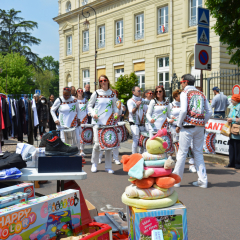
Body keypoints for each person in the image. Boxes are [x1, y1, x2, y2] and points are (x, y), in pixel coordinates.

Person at [173, 74, 212, 188]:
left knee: (182, 153)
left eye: (181, 82)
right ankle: (203, 181)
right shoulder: (201, 93)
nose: (181, 84)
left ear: (185, 82)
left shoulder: (185, 93)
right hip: (200, 126)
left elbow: (184, 110)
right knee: (198, 153)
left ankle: (176, 180)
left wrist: (179, 124)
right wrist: (201, 121)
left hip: (188, 126)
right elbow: (209, 112)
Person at [88, 75, 119, 173]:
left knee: (108, 145)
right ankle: (94, 164)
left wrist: (116, 112)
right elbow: (89, 105)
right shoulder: (96, 93)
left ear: (107, 81)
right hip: (97, 122)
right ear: (99, 82)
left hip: (109, 122)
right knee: (97, 144)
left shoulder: (112, 94)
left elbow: (114, 106)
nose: (103, 82)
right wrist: (93, 113)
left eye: (105, 80)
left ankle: (108, 167)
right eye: (101, 81)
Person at [127, 86, 145, 154]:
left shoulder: (142, 100)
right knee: (136, 140)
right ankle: (133, 155)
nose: (140, 92)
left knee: (143, 140)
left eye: (140, 91)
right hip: (134, 123)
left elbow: (147, 110)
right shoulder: (130, 101)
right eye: (138, 91)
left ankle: (141, 155)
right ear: (133, 92)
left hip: (142, 124)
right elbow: (132, 112)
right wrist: (136, 106)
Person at [226, 94, 240, 169]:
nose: (231, 101)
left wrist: (233, 119)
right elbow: (230, 115)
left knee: (237, 147)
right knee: (231, 147)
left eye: (232, 99)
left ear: (236, 100)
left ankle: (237, 164)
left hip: (237, 130)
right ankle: (231, 163)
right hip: (231, 130)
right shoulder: (232, 107)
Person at [76, 88, 89, 156]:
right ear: (77, 92)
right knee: (77, 136)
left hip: (84, 120)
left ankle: (82, 150)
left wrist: (89, 113)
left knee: (83, 136)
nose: (80, 92)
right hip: (77, 120)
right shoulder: (74, 100)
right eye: (79, 91)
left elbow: (88, 109)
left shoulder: (85, 100)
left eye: (81, 91)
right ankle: (77, 150)